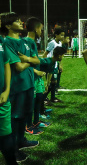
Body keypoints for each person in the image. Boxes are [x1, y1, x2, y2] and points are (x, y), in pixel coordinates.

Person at [2, 12, 40, 162]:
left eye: (20, 20)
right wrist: (29, 61)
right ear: (8, 26)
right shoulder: (7, 43)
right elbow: (18, 67)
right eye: (17, 21)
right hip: (17, 86)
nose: (21, 22)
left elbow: (37, 60)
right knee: (15, 118)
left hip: (29, 84)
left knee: (24, 115)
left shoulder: (27, 42)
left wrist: (28, 60)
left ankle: (21, 140)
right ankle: (14, 150)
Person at [0, 13, 18, 165]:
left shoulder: (1, 41)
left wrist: (6, 90)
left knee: (6, 135)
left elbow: (6, 63)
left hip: (2, 98)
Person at [43, 28, 64, 103]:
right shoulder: (52, 43)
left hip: (55, 65)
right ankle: (44, 98)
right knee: (50, 83)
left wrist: (60, 65)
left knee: (54, 82)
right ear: (56, 35)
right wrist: (46, 65)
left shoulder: (60, 43)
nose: (62, 37)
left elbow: (60, 55)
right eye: (61, 35)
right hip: (50, 65)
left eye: (63, 35)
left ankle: (52, 98)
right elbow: (45, 54)